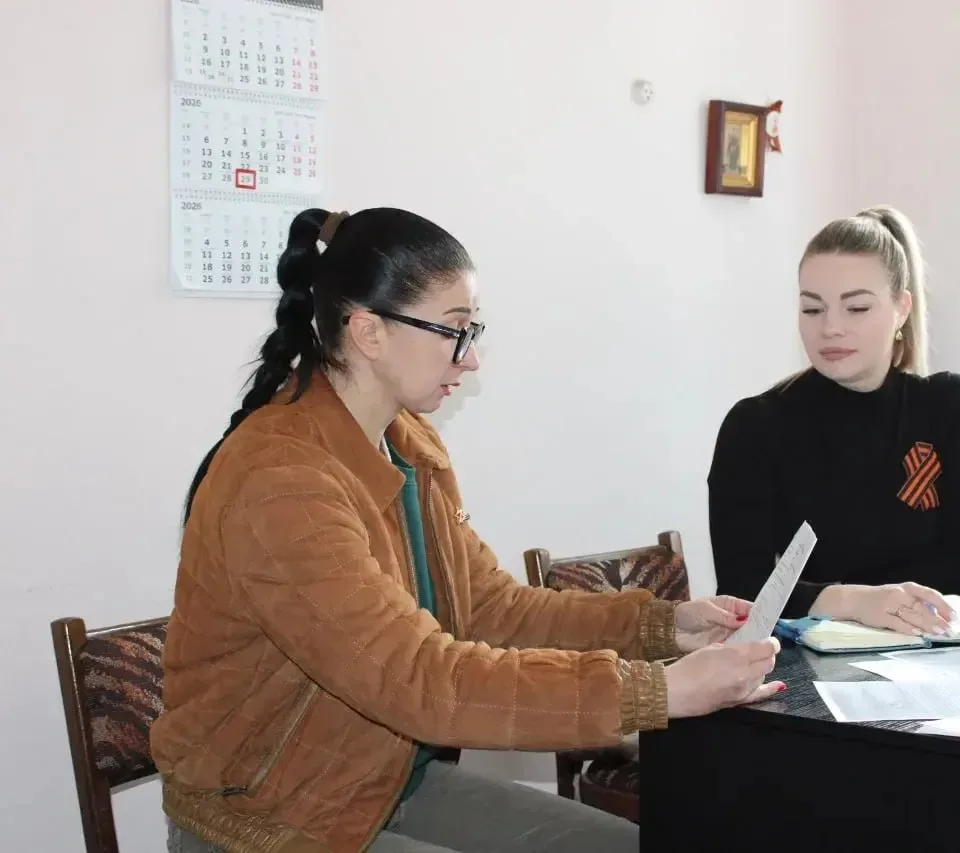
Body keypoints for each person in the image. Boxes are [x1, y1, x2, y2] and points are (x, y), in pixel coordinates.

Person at [151, 207, 784, 853]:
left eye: (472, 330)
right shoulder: (280, 481)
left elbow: (491, 609)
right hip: (268, 816)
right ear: (368, 332)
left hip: (384, 781)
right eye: (453, 330)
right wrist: (660, 690)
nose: (472, 357)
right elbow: (420, 678)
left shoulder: (408, 444)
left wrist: (662, 627)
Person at [707, 205, 960, 637]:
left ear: (901, 308)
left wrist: (819, 593)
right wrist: (855, 602)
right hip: (806, 663)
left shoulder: (951, 407)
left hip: (932, 650)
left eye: (856, 308)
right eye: (812, 309)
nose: (831, 328)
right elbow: (743, 593)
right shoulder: (754, 427)